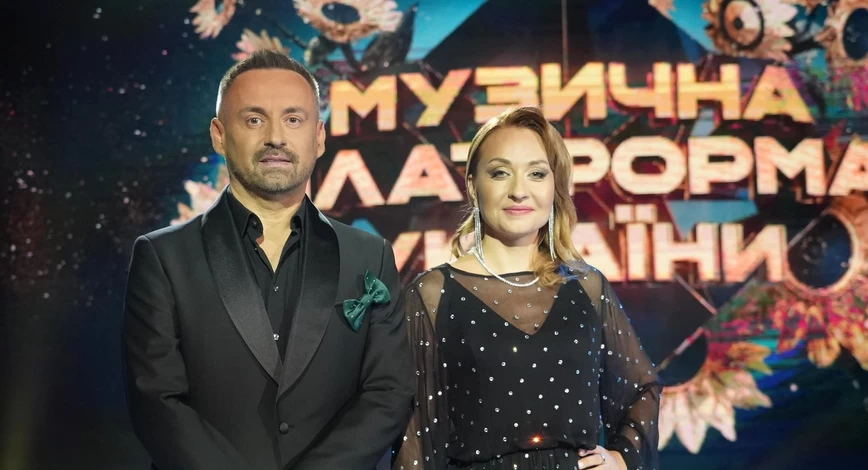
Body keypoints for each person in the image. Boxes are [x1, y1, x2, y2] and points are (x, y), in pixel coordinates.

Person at [123, 50, 414, 470]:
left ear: (319, 136)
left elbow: (388, 393)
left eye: (293, 119)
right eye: (254, 120)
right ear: (219, 135)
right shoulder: (163, 257)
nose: (276, 137)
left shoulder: (371, 255)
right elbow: (156, 401)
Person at [393, 107, 660, 470]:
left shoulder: (586, 286)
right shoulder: (432, 295)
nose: (519, 191)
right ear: (472, 186)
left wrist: (621, 458)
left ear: (555, 186)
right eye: (500, 173)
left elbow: (641, 389)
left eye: (536, 173)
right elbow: (415, 434)